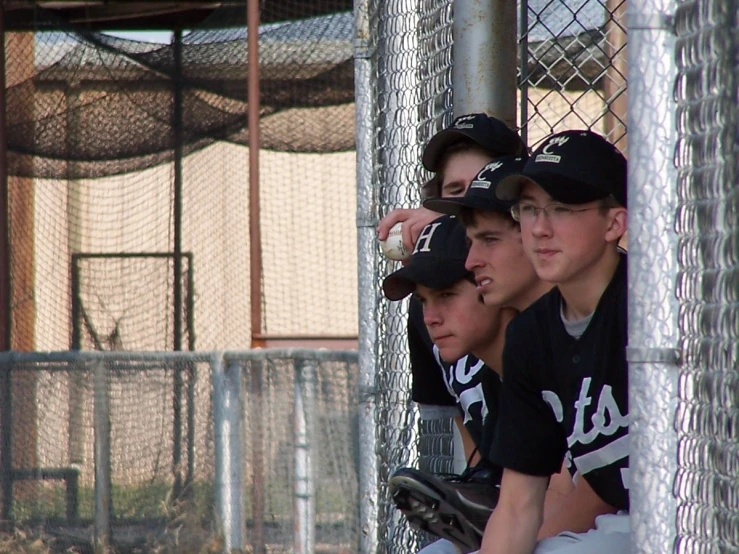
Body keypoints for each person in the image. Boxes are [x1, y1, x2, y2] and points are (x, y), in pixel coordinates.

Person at [385, 157, 574, 554]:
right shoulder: (500, 372)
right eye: (423, 301)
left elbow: (581, 495)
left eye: (448, 294)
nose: (431, 318)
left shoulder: (568, 340)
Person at [477, 129, 629, 554]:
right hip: (623, 522)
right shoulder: (530, 336)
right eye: (528, 210)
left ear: (614, 223)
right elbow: (518, 507)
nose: (539, 229)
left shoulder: (657, 310)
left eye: (561, 209)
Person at [378, 113, 527, 459]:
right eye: (455, 193)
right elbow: (473, 440)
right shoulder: (425, 305)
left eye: (482, 187)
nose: (468, 206)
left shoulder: (530, 287)